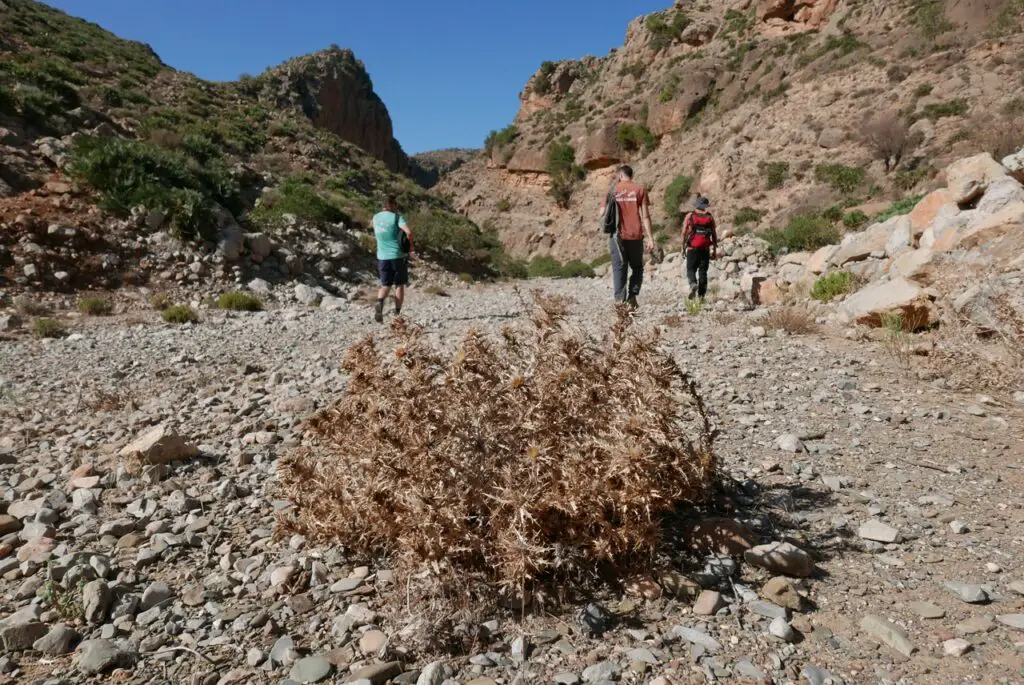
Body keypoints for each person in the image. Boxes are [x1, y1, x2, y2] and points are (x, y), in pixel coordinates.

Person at [599, 165, 655, 307]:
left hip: (617, 236)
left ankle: (619, 300)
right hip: (636, 235)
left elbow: (601, 213)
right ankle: (632, 296)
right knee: (637, 267)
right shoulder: (639, 189)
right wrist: (650, 238)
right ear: (631, 175)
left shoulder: (612, 190)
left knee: (619, 266)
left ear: (620, 175)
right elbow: (646, 216)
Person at [371, 195, 413, 323]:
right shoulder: (397, 217)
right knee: (399, 285)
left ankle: (380, 302)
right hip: (397, 255)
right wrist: (410, 248)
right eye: (396, 204)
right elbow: (409, 232)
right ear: (392, 204)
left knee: (385, 285)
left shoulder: (375, 217)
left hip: (382, 256)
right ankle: (397, 312)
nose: (397, 207)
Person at [681, 195, 717, 301]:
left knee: (690, 269)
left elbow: (683, 232)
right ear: (705, 206)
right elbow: (714, 234)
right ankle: (701, 297)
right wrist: (714, 250)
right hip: (705, 249)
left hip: (692, 248)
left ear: (696, 205)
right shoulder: (710, 217)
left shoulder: (690, 216)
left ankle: (692, 284)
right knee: (703, 272)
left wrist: (682, 247)